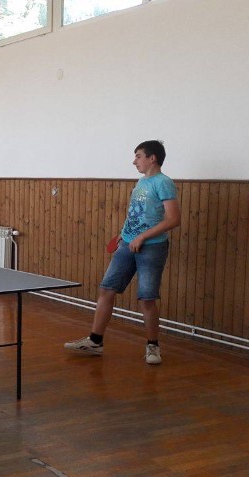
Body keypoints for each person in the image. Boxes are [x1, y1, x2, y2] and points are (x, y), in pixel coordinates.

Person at [65, 140, 180, 365]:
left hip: (152, 247)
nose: (134, 161)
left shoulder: (164, 183)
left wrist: (142, 237)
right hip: (127, 244)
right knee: (107, 289)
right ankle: (95, 341)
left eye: (138, 156)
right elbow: (137, 213)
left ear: (152, 158)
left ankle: (153, 347)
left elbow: (174, 219)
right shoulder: (141, 182)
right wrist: (123, 233)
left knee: (147, 299)